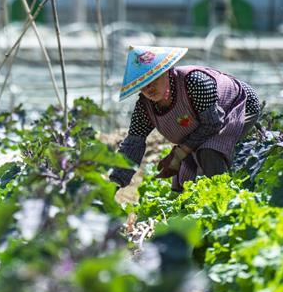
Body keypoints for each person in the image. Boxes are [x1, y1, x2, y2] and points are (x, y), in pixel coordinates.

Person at [110, 45, 261, 192]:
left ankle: (222, 196)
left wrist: (178, 155)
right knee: (189, 160)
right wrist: (112, 185)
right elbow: (133, 144)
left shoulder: (194, 82)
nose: (149, 88)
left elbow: (212, 124)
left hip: (240, 106)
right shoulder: (144, 107)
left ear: (166, 71)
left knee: (209, 151)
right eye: (143, 84)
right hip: (206, 123)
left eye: (153, 79)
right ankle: (199, 199)